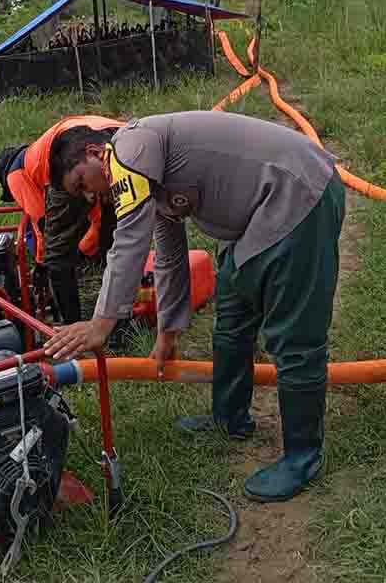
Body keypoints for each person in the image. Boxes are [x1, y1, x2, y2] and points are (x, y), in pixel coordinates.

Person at [43, 110, 346, 503]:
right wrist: (168, 332)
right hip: (262, 212)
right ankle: (229, 417)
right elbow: (168, 255)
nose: (90, 195)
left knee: (293, 335)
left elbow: (130, 241)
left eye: (81, 181)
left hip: (299, 193)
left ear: (93, 151)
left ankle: (302, 457)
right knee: (232, 314)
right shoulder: (149, 170)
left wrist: (102, 323)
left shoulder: (128, 149)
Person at [0, 116, 125, 324]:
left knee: (58, 260)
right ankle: (120, 314)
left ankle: (72, 326)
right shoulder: (38, 152)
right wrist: (86, 248)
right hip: (116, 138)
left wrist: (43, 263)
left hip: (77, 164)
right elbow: (95, 216)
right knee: (115, 239)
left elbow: (41, 222)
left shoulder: (15, 175)